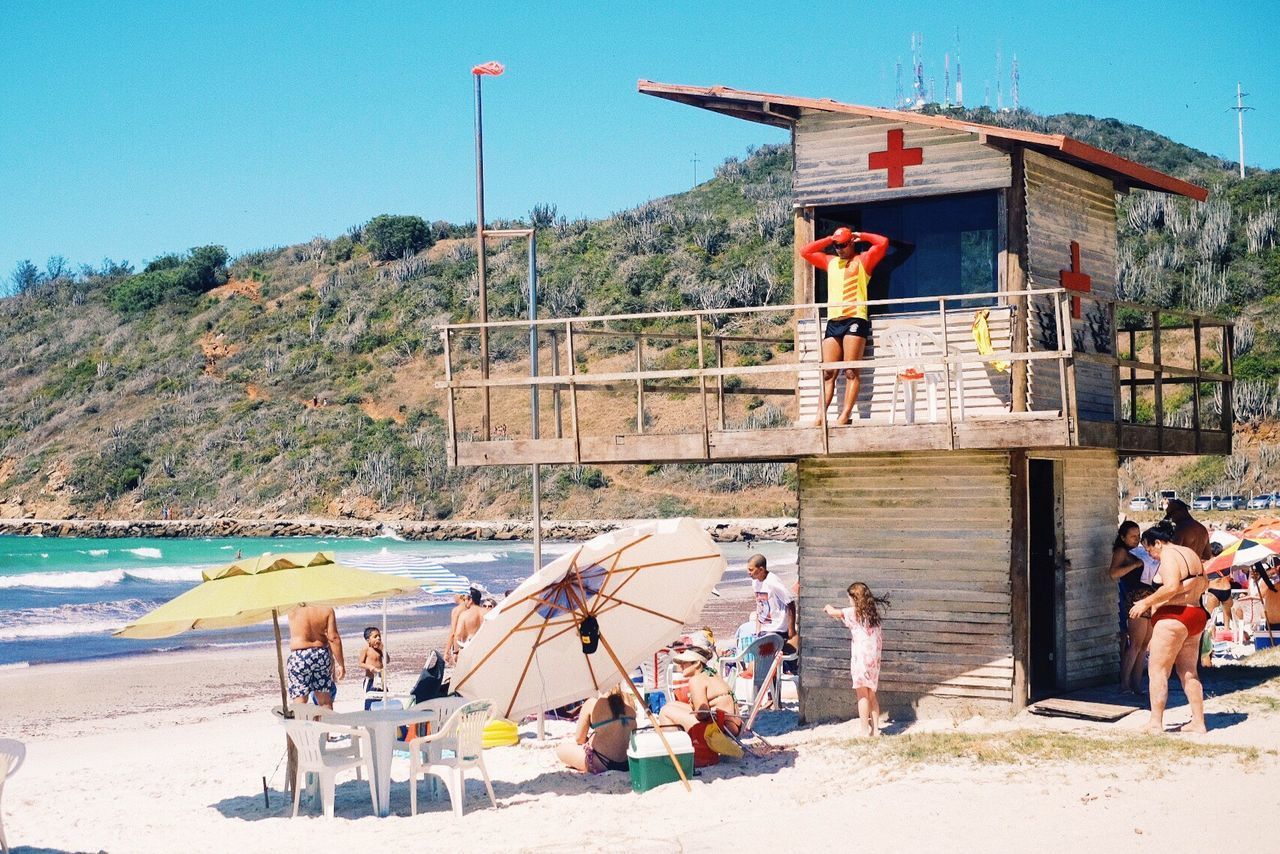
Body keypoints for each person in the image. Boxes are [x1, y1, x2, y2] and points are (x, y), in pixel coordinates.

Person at [799, 226, 890, 426]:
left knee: (850, 370)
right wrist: (829, 239)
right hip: (834, 320)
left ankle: (844, 415)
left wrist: (861, 235)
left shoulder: (863, 260)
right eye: (836, 246)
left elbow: (882, 243)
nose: (838, 249)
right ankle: (820, 416)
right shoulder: (831, 262)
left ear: (851, 243)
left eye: (842, 245)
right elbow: (805, 251)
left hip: (855, 318)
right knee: (828, 372)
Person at [1128, 527, 1209, 733]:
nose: (1150, 555)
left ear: (1158, 543)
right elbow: (1203, 582)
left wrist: (1145, 603)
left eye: (1148, 550)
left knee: (1158, 670)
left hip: (1174, 617)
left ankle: (1155, 722)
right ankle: (1198, 722)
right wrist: (1184, 588)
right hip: (1196, 614)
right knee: (1189, 672)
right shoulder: (1190, 554)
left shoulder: (1168, 555)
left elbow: (1171, 586)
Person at [824, 582, 887, 737]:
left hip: (861, 658)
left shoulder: (854, 612)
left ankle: (864, 731)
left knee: (862, 695)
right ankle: (876, 730)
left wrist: (827, 606)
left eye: (850, 598)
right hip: (874, 659)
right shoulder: (873, 615)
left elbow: (834, 612)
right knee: (871, 694)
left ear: (855, 598)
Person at [659, 646, 743, 741]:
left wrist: (693, 704)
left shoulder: (696, 680)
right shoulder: (711, 674)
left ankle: (675, 747)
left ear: (697, 663)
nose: (681, 666)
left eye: (684, 662)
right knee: (671, 705)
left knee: (665, 711)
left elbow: (702, 714)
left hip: (721, 730)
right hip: (733, 726)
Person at [1109, 521, 1154, 694]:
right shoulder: (1122, 552)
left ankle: (1137, 684)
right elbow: (1113, 573)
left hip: (1149, 597)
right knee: (1135, 644)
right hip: (1136, 598)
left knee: (1144, 645)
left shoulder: (1139, 551)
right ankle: (1125, 684)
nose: (1136, 539)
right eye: (1133, 536)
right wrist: (1134, 565)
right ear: (1123, 537)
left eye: (1138, 536)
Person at [556, 686, 636, 774]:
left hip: (603, 762)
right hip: (628, 762)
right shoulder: (628, 699)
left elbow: (579, 739)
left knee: (561, 749)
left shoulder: (592, 703)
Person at [287, 604, 345, 709]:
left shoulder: (292, 607)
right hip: (321, 654)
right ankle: (327, 724)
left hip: (299, 655)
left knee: (300, 700)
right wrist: (341, 664)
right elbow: (333, 638)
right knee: (324, 700)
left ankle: (299, 724)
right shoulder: (326, 609)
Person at [359, 626, 386, 710]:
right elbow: (360, 663)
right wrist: (370, 667)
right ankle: (367, 715)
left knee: (384, 698)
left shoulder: (379, 650)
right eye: (375, 636)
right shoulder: (366, 649)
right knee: (370, 700)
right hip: (370, 680)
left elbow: (387, 660)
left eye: (379, 636)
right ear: (368, 640)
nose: (378, 638)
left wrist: (383, 650)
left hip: (381, 679)